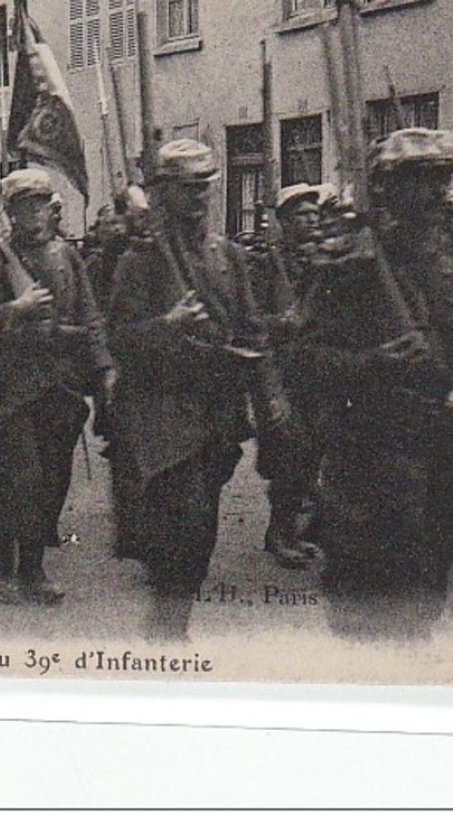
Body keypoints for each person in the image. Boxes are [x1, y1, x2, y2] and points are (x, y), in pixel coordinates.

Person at [290, 128, 453, 640]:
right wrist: (369, 363)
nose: (438, 192)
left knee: (423, 591)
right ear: (387, 188)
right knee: (365, 601)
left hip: (443, 452)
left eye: (443, 178)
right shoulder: (353, 266)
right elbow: (304, 358)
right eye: (423, 179)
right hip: (371, 452)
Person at [105, 140, 277, 640]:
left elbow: (252, 329)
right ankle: (167, 629)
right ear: (162, 196)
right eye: (186, 189)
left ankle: (170, 619)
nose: (198, 198)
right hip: (162, 412)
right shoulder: (139, 262)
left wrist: (270, 399)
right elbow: (119, 339)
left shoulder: (229, 256)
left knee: (200, 532)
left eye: (204, 187)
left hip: (216, 411)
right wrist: (168, 323)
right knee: (184, 520)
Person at [0, 169, 116, 605]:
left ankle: (18, 556)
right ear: (10, 212)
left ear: (51, 210)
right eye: (22, 206)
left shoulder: (66, 256)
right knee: (23, 480)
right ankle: (22, 570)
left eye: (39, 205)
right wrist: (17, 307)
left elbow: (90, 318)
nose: (33, 214)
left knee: (51, 481)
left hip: (59, 388)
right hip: (11, 390)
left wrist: (104, 368)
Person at [250, 182, 337, 568]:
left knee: (313, 452)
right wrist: (280, 323)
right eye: (303, 214)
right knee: (288, 453)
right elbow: (249, 320)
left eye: (316, 214)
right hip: (279, 373)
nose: (312, 220)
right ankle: (279, 532)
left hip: (318, 372)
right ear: (285, 221)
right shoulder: (268, 265)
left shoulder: (324, 262)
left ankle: (296, 529)